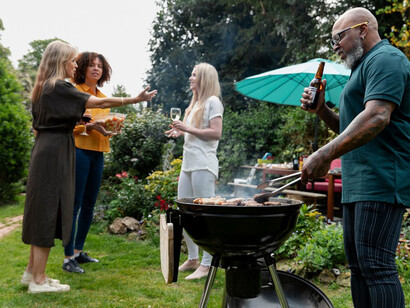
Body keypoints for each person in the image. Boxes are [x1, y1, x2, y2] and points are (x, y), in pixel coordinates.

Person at [21, 40, 156, 294]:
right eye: (72, 60)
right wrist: (135, 99)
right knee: (49, 212)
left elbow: (41, 126)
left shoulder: (42, 87)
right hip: (54, 153)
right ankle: (38, 281)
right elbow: (100, 104)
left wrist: (89, 126)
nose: (75, 65)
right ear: (61, 61)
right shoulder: (59, 86)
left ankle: (32, 273)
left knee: (44, 211)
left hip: (46, 148)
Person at [300, 7, 409, 308]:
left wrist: (324, 153)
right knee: (360, 268)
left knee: (377, 266)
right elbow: (352, 129)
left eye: (339, 36)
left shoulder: (386, 59)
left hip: (382, 179)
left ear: (363, 29)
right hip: (358, 182)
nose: (334, 46)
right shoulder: (359, 69)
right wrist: (322, 109)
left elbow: (377, 117)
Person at [166, 62, 223, 280]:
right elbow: (196, 133)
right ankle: (192, 258)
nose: (190, 78)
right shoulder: (195, 103)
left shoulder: (213, 102)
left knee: (204, 215)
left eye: (194, 74)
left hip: (204, 165)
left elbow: (215, 133)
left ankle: (207, 264)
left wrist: (186, 128)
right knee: (185, 211)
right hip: (188, 164)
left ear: (205, 79)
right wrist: (180, 133)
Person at [62, 52, 114, 273]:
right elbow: (67, 125)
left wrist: (112, 129)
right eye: (91, 65)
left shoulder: (102, 96)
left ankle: (78, 251)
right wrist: (88, 127)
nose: (96, 69)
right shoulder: (74, 93)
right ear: (82, 68)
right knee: (74, 204)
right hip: (79, 151)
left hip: (98, 153)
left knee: (89, 205)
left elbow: (103, 129)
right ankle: (67, 258)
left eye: (99, 66)